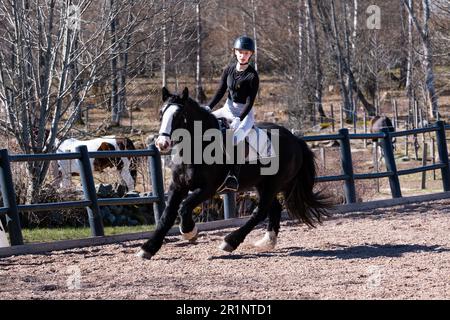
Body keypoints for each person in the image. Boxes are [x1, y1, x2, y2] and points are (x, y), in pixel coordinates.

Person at [204, 35, 259, 192]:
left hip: (244, 113)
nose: (243, 55)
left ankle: (232, 176)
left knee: (234, 139)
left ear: (251, 55)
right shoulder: (228, 70)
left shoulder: (252, 76)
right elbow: (221, 91)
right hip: (227, 108)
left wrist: (239, 119)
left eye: (247, 53)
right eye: (240, 52)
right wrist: (209, 108)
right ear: (235, 52)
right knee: (202, 124)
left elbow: (249, 102)